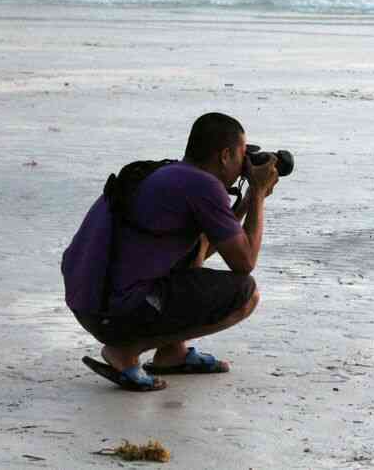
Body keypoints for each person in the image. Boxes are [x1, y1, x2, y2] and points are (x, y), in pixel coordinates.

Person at [62, 113, 279, 391]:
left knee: (194, 247)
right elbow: (244, 262)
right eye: (241, 156)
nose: (244, 167)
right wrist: (259, 192)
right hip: (115, 310)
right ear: (225, 155)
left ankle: (172, 353)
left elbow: (213, 243)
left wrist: (247, 201)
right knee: (245, 293)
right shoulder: (203, 186)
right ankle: (125, 351)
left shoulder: (169, 175)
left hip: (90, 302)